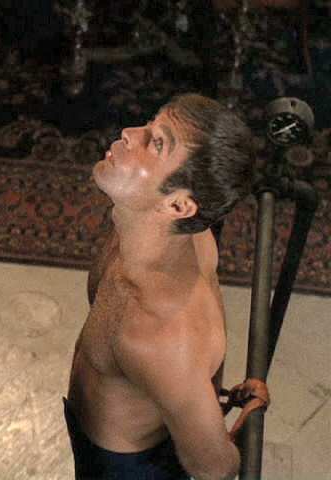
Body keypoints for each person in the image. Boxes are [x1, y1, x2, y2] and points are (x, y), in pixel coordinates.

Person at [65, 93, 254, 479]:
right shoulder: (155, 230)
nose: (129, 132)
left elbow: (214, 467)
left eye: (156, 143)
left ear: (178, 206)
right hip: (99, 431)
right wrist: (201, 395)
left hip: (123, 469)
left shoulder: (157, 334)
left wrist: (233, 429)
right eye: (149, 124)